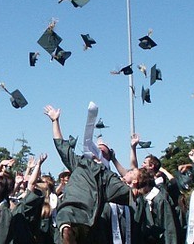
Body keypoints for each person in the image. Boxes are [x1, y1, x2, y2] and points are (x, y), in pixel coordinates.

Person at [44, 104, 131, 244]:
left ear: (107, 157)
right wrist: (55, 121)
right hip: (69, 211)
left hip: (89, 218)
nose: (98, 150)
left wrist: (139, 181)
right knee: (65, 219)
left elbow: (129, 191)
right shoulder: (80, 162)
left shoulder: (108, 176)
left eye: (104, 150)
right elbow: (62, 146)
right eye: (97, 148)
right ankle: (67, 231)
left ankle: (69, 231)